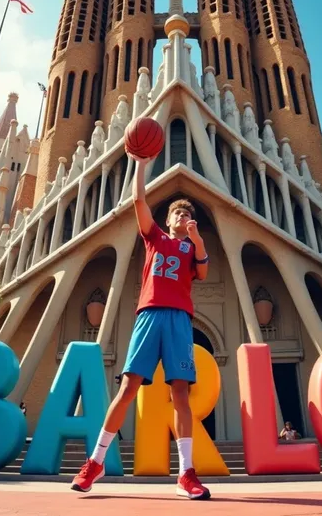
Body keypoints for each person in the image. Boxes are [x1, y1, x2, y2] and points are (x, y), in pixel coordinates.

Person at [71, 153, 211, 499]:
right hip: (149, 314)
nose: (184, 216)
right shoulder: (156, 238)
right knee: (128, 388)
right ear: (168, 218)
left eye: (189, 214)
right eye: (179, 213)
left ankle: (186, 473)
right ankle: (96, 461)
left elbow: (204, 272)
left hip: (179, 319)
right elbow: (137, 199)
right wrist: (141, 164)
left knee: (180, 392)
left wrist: (198, 240)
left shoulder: (191, 249)